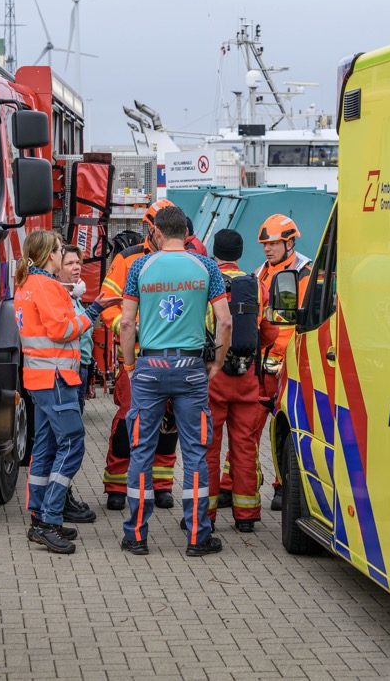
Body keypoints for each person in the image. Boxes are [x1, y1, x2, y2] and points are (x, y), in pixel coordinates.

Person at [118, 206, 231, 556]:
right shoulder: (206, 266)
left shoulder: (140, 266)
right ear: (185, 232)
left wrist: (130, 365)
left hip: (150, 365)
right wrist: (216, 364)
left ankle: (136, 535)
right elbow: (225, 322)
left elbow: (125, 323)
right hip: (191, 366)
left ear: (156, 233)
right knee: (195, 453)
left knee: (141, 451)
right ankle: (198, 536)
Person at [97, 198, 197, 510]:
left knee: (169, 424)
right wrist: (126, 329)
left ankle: (162, 483)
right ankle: (117, 483)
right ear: (151, 229)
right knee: (129, 421)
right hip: (138, 355)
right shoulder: (129, 259)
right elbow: (107, 302)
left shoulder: (187, 259)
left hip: (174, 355)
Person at [14, 230, 107, 554]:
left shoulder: (25, 285)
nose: (60, 255)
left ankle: (39, 516)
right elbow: (61, 329)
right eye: (57, 251)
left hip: (39, 380)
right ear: (48, 256)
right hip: (57, 379)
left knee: (45, 448)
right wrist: (92, 313)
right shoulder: (48, 286)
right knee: (72, 445)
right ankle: (49, 519)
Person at [225, 213, 311, 512]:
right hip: (262, 365)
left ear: (290, 243)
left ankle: (281, 485)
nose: (267, 249)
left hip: (290, 362)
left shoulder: (306, 273)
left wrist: (277, 353)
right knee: (248, 429)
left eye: (273, 244)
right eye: (264, 244)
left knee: (286, 427)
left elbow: (300, 321)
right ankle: (231, 485)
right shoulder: (259, 272)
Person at [205, 229, 270, 532]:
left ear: (214, 251)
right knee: (244, 445)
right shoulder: (257, 285)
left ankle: (206, 513)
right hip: (247, 375)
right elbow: (267, 330)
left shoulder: (207, 280)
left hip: (214, 375)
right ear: (240, 253)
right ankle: (247, 516)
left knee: (209, 446)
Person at [55, 244, 98, 524]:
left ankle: (60, 496)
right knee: (67, 440)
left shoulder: (73, 297)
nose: (75, 267)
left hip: (80, 368)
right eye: (69, 262)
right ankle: (60, 498)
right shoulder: (60, 298)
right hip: (68, 373)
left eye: (78, 262)